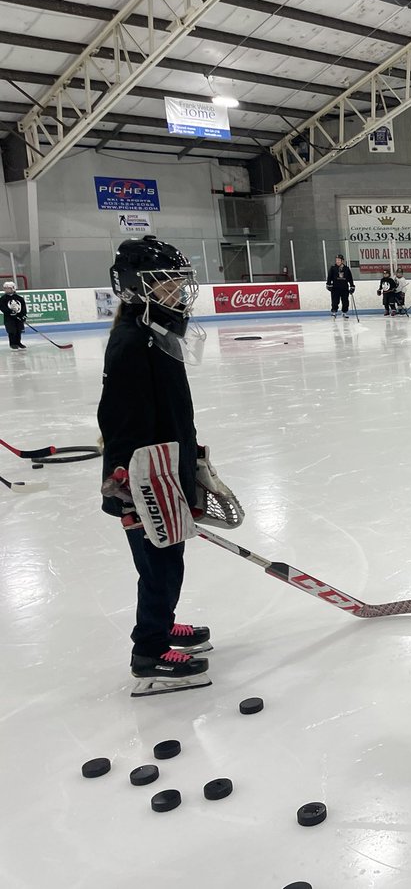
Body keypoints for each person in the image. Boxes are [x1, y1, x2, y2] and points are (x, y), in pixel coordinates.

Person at [97, 236, 214, 697]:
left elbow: (170, 411)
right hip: (144, 474)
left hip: (165, 464)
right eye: (165, 283)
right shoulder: (132, 343)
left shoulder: (155, 334)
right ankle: (149, 649)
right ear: (133, 286)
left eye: (178, 283)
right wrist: (127, 487)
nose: (176, 293)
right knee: (158, 562)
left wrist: (192, 459)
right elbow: (120, 422)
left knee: (170, 555)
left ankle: (161, 625)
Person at [326, 253, 355, 318]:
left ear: (342, 261)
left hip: (344, 288)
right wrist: (328, 284)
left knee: (345, 301)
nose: (337, 261)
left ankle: (344, 312)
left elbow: (350, 278)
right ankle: (334, 312)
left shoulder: (346, 269)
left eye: (339, 260)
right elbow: (329, 277)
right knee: (335, 301)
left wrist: (352, 286)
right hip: (335, 288)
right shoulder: (333, 268)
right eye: (336, 260)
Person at [2, 280, 27, 350]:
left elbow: (23, 308)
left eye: (8, 288)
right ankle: (12, 343)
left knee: (18, 330)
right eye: (5, 288)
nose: (7, 290)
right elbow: (2, 308)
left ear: (13, 288)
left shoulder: (19, 298)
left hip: (18, 317)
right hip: (9, 319)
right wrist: (10, 312)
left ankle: (18, 342)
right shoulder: (3, 299)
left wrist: (23, 315)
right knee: (12, 331)